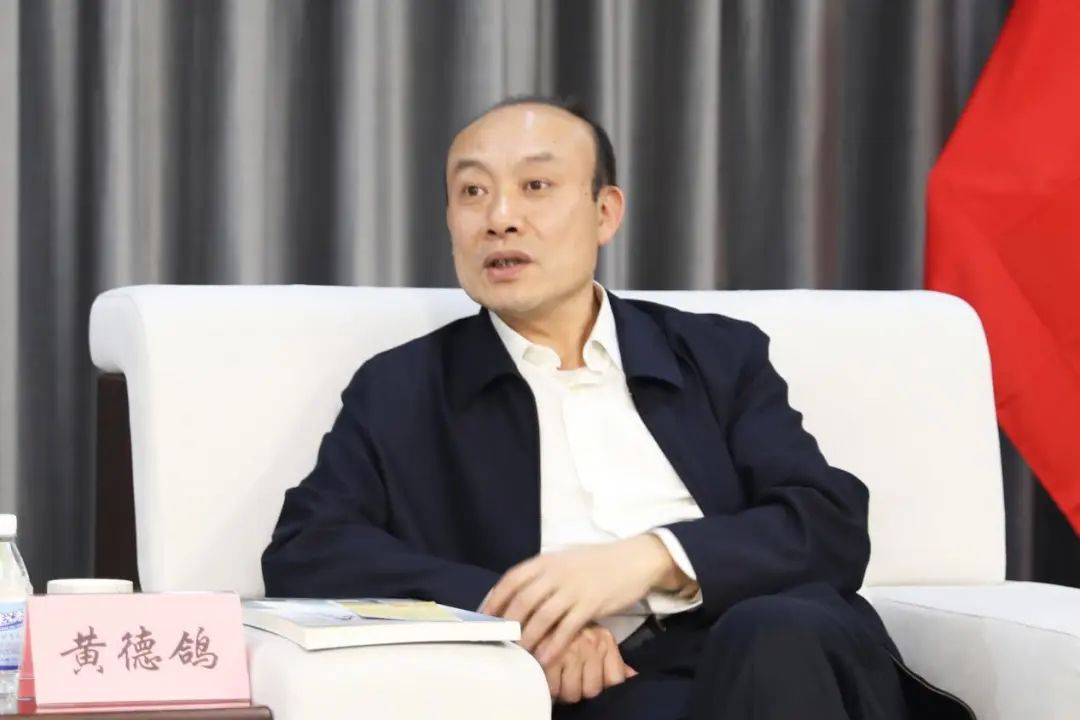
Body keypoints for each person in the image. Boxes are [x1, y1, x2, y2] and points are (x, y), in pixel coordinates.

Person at [262, 97, 973, 720]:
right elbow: (307, 549)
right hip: (609, 688)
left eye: (535, 186)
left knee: (777, 635)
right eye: (472, 192)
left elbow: (828, 523)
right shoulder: (405, 387)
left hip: (778, 653)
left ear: (605, 213)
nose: (500, 218)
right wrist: (518, 615)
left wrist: (651, 559)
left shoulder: (716, 356)